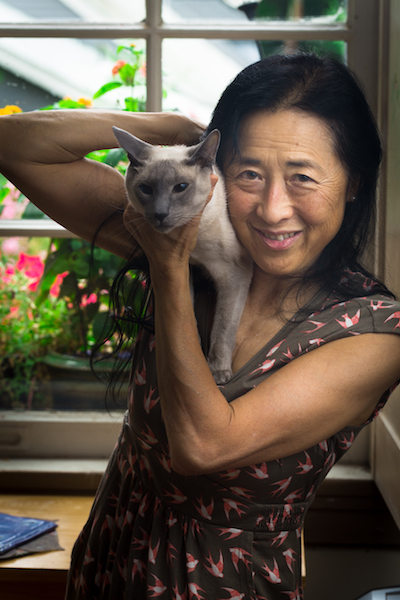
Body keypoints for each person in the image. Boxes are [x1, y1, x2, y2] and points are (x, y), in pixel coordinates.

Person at [1, 52, 400, 600]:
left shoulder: (371, 334)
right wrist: (164, 132)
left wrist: (167, 266)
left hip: (220, 585)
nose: (272, 209)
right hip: (109, 561)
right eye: (249, 174)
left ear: (353, 182)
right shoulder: (184, 223)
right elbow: (13, 145)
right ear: (215, 172)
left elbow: (201, 447)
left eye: (302, 177)